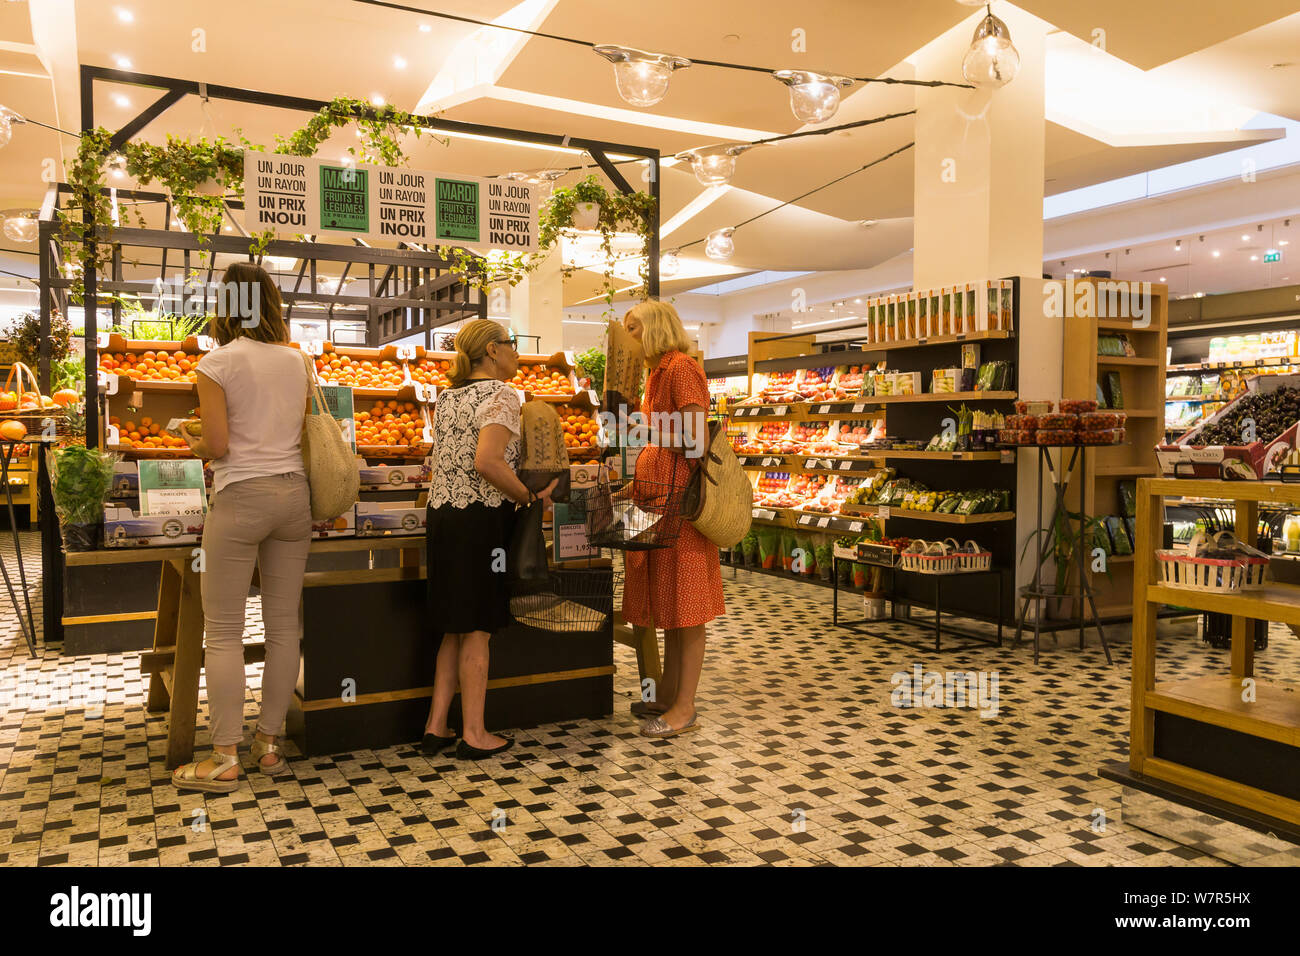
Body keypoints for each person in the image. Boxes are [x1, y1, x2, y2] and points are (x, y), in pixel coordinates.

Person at [172, 262, 312, 792]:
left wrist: (195, 443)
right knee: (282, 628)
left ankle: (225, 757)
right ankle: (269, 747)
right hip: (294, 496)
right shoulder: (298, 362)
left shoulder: (217, 362)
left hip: (240, 497)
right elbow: (296, 432)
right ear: (273, 303)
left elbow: (219, 444)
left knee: (224, 632)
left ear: (227, 306)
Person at [421, 319, 558, 759]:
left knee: (453, 629)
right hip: (481, 522)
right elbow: (488, 462)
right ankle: (475, 733)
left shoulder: (447, 398)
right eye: (512, 345)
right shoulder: (502, 395)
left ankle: (436, 726)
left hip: (444, 518)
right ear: (492, 351)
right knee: (478, 629)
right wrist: (529, 497)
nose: (517, 352)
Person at [621, 300, 724, 738]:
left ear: (654, 327)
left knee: (688, 608)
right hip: (657, 505)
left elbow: (696, 441)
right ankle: (665, 694)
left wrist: (646, 433)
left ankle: (684, 708)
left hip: (680, 506)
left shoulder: (682, 368)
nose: (628, 339)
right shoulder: (657, 372)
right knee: (670, 604)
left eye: (633, 329)